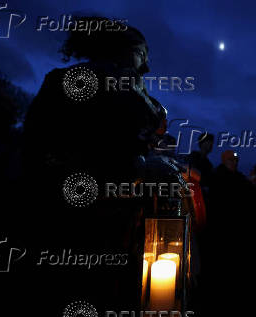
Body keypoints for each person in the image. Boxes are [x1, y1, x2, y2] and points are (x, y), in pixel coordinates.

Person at [22, 17, 169, 310]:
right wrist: (138, 169)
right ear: (117, 48)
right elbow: (45, 159)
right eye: (141, 54)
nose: (146, 67)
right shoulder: (72, 84)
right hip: (75, 230)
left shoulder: (125, 91)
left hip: (119, 229)